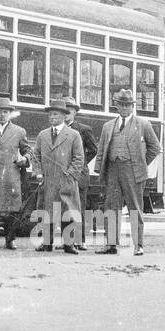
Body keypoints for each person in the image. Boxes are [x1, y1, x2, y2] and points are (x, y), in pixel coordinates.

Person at [95, 88, 162, 256]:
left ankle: (138, 245)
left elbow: (155, 148)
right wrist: (99, 169)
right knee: (111, 207)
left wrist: (140, 164)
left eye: (127, 105)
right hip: (112, 170)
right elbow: (101, 150)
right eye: (121, 105)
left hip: (133, 172)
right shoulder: (108, 126)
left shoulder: (143, 124)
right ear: (116, 106)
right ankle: (111, 245)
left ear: (132, 107)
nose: (124, 108)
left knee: (135, 208)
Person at [29, 100, 85, 253]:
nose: (51, 117)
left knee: (68, 212)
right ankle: (47, 243)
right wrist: (38, 173)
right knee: (48, 212)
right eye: (50, 114)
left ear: (63, 116)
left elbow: (79, 158)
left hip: (66, 180)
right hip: (48, 180)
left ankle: (69, 244)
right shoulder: (43, 135)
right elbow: (36, 156)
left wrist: (70, 175)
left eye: (55, 114)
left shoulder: (73, 135)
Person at [0, 98, 30, 248]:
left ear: (10, 114)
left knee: (11, 209)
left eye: (5, 112)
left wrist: (25, 159)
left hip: (10, 173)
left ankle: (10, 239)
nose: (2, 115)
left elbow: (27, 150)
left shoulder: (19, 131)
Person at [63, 96, 99, 249]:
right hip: (64, 175)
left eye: (68, 111)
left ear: (74, 113)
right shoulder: (57, 130)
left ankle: (80, 240)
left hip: (79, 175)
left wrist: (81, 162)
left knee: (79, 207)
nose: (65, 114)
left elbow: (94, 150)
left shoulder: (84, 129)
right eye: (63, 111)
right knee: (65, 208)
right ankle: (67, 241)